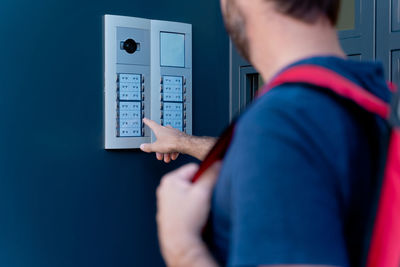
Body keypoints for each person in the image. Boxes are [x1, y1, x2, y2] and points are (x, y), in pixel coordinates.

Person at [143, 0, 392, 266]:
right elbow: (303, 159)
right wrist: (182, 142)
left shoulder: (281, 123)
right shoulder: (377, 98)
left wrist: (181, 245)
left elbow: (286, 151)